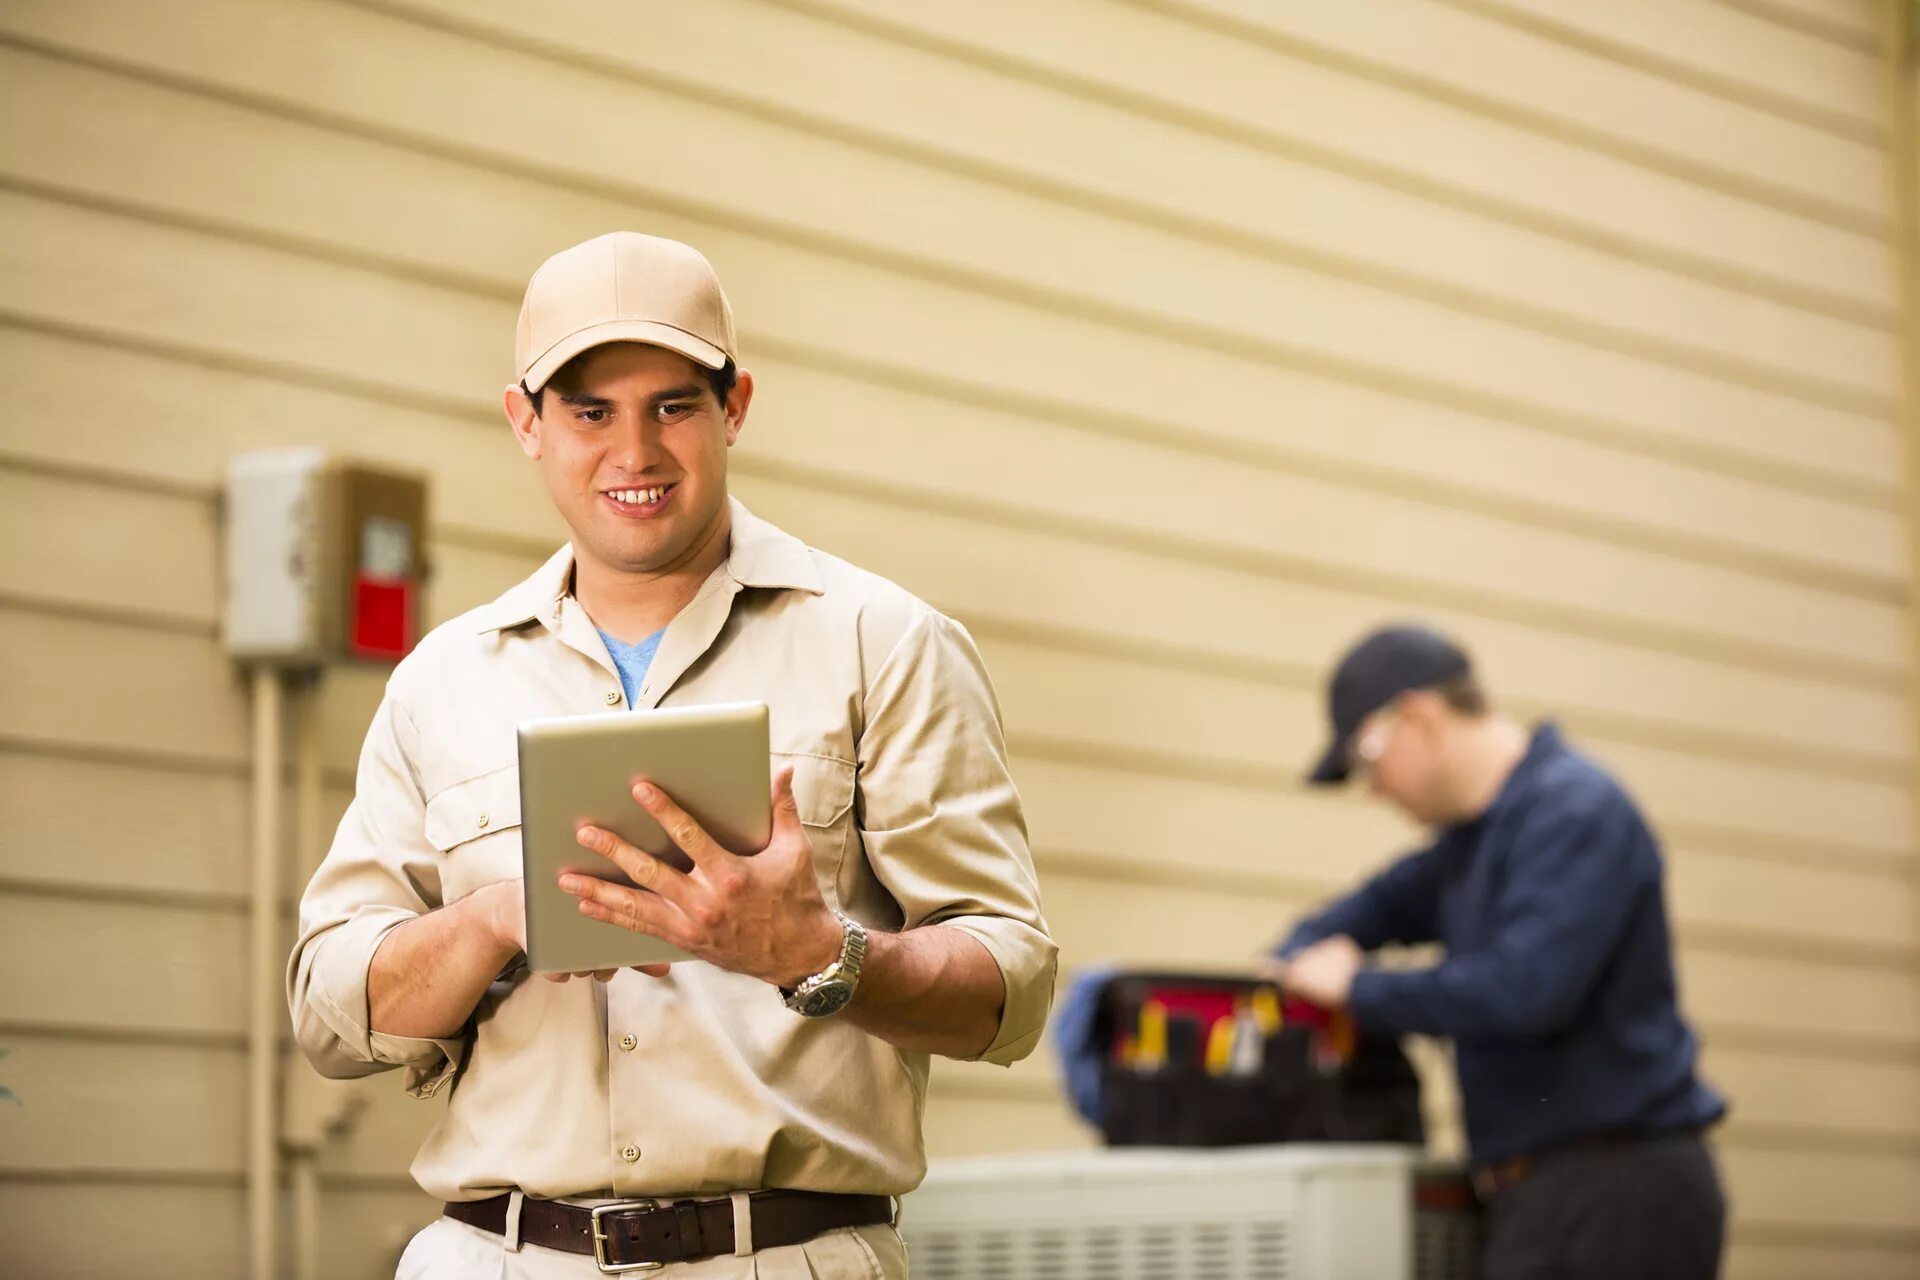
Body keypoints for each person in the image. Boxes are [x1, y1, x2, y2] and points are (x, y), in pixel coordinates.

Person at [288, 231, 1057, 1278]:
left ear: (735, 403)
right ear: (527, 421)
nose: (635, 452)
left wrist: (817, 954)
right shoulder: (440, 679)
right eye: (590, 410)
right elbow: (331, 1011)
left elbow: (1009, 987)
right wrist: (494, 919)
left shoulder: (885, 642)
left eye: (675, 405)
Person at [1271, 625, 1727, 1280]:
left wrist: (1359, 990)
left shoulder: (1575, 813)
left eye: (1369, 763)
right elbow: (1375, 907)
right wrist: (1289, 959)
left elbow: (1524, 990)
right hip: (1538, 1193)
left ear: (1420, 718)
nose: (1374, 789)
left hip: (1620, 1192)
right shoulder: (1473, 842)